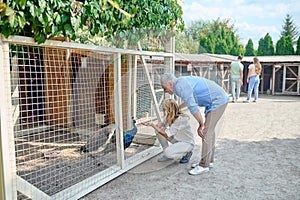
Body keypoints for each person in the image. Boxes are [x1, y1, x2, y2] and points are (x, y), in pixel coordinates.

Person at [160, 73, 229, 175]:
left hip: (218, 101)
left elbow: (192, 106)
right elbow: (190, 100)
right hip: (216, 100)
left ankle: (203, 165)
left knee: (206, 132)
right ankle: (209, 161)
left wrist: (201, 124)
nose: (164, 91)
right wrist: (178, 107)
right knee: (210, 132)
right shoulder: (181, 83)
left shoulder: (180, 86)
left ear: (170, 84)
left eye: (164, 88)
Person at [141, 99, 194, 163]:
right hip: (177, 139)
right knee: (158, 130)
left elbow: (166, 134)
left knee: (168, 152)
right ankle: (168, 153)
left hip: (187, 143)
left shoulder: (180, 119)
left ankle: (187, 153)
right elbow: (163, 124)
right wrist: (157, 124)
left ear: (170, 109)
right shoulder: (169, 116)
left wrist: (153, 125)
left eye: (164, 109)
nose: (163, 110)